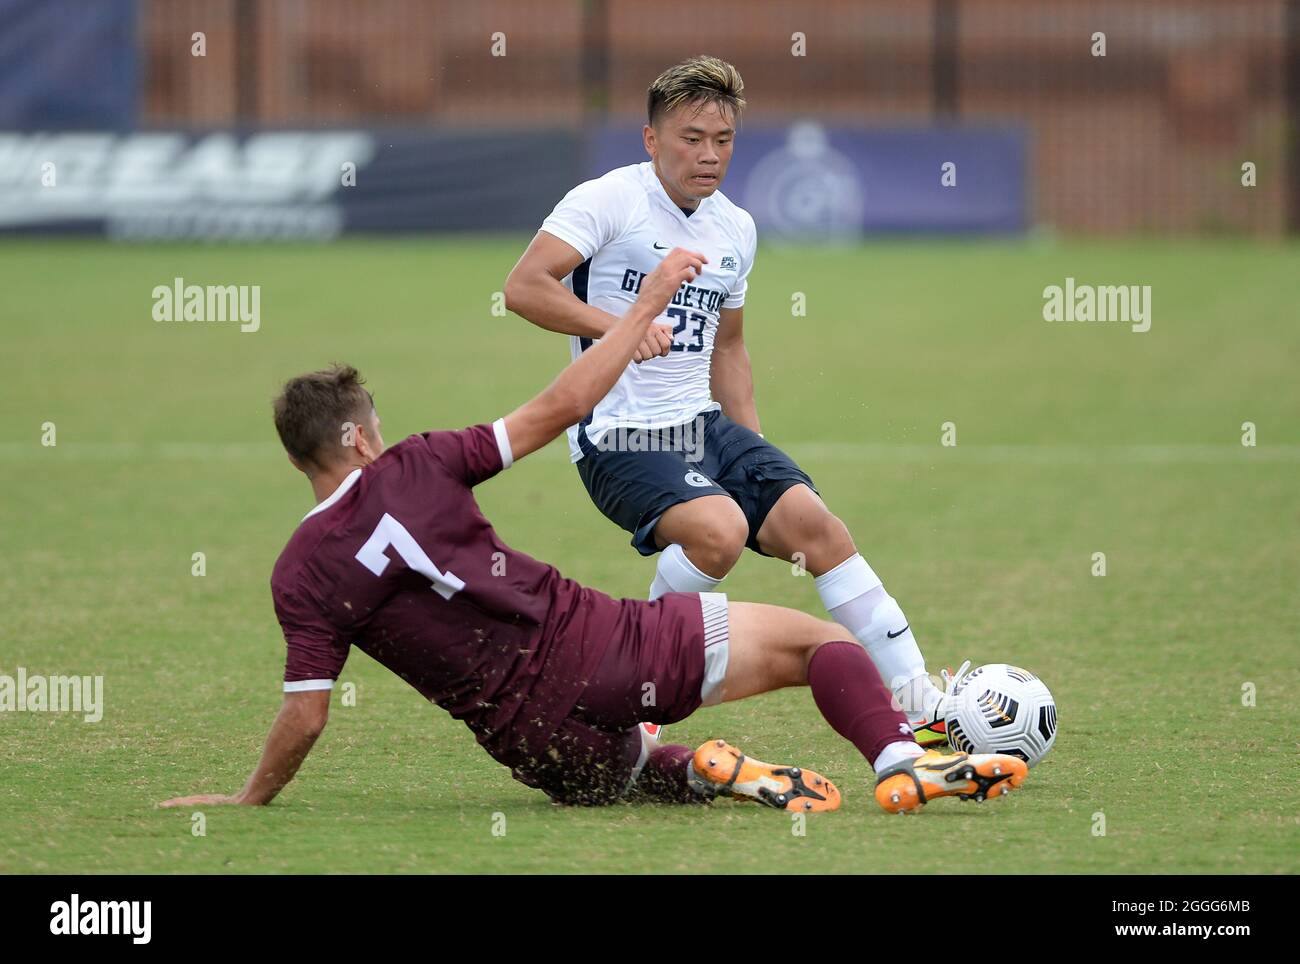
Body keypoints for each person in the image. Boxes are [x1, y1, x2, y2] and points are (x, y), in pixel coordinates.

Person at [160, 248, 1027, 815]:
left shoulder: (299, 571)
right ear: (358, 436)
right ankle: (899, 760)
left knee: (616, 768)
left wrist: (247, 801)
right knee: (820, 646)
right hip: (599, 649)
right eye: (373, 424)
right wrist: (642, 305)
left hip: (537, 750)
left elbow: (306, 718)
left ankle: (690, 767)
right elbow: (566, 404)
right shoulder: (418, 463)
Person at [504, 55, 957, 748]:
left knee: (819, 529)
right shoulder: (607, 200)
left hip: (705, 426)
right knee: (720, 533)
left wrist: (757, 458)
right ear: (652, 140)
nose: (709, 155)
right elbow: (525, 287)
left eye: (723, 140)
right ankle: (640, 682)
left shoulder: (734, 229)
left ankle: (924, 711)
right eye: (691, 138)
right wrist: (621, 329)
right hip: (618, 434)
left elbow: (728, 349)